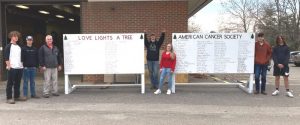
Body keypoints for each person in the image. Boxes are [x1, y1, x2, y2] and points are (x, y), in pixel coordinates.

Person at [4, 31, 27, 104]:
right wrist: (9, 66)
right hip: (12, 67)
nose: (16, 37)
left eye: (17, 36)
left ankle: (17, 96)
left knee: (18, 83)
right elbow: (6, 57)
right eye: (14, 36)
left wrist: (22, 65)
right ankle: (9, 98)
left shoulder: (19, 46)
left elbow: (21, 57)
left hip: (19, 67)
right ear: (11, 37)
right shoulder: (8, 46)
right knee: (10, 83)